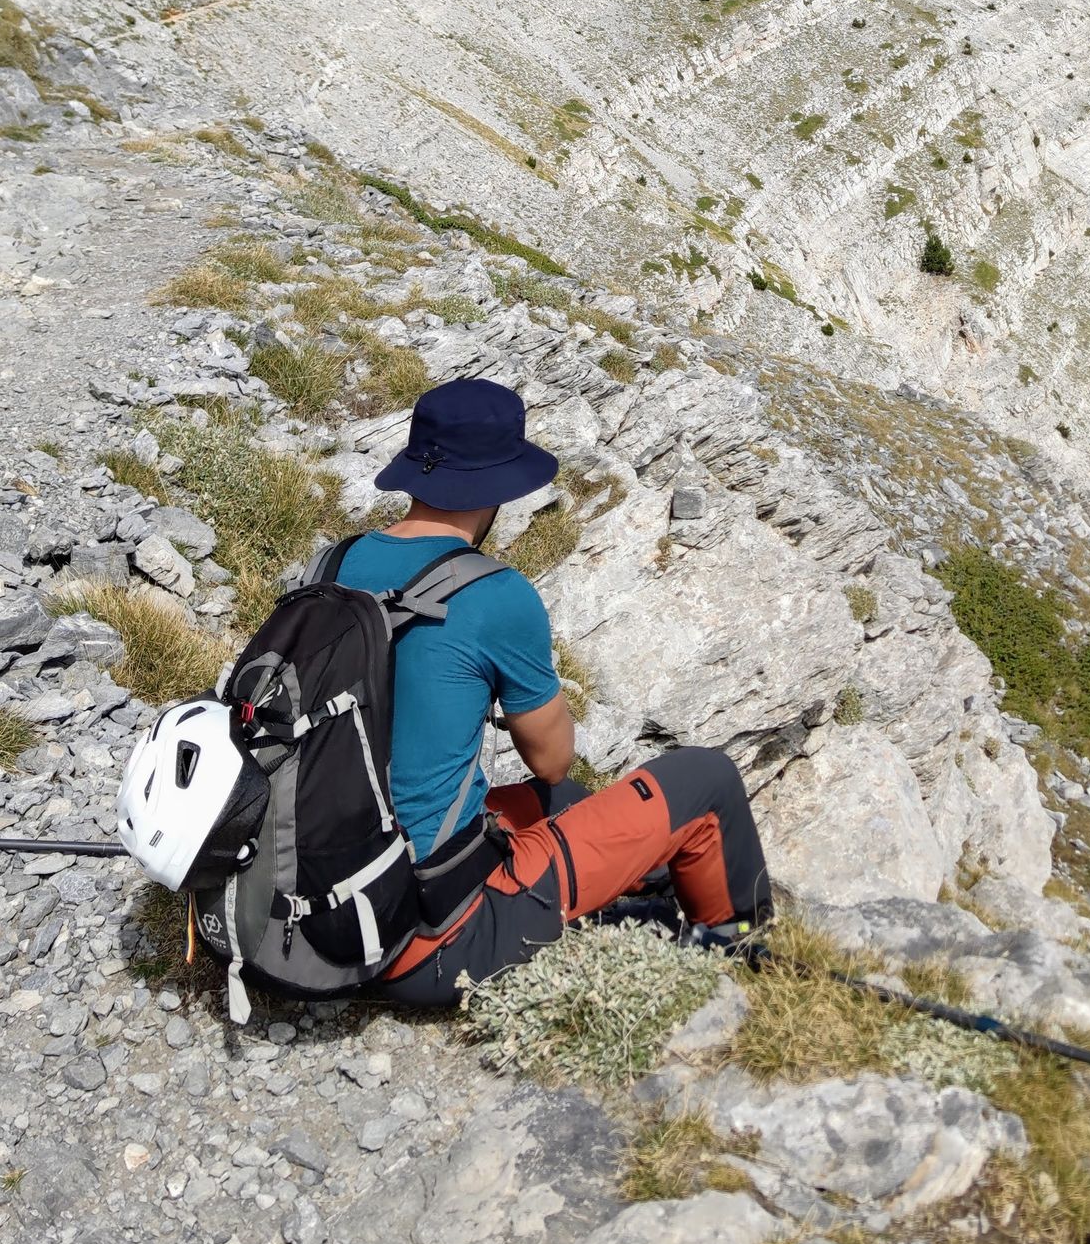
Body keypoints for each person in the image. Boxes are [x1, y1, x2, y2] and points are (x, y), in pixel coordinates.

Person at [331, 375, 772, 1002]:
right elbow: (551, 754)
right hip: (423, 938)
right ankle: (737, 959)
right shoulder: (493, 593)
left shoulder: (330, 566)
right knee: (709, 781)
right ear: (494, 490)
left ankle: (639, 891)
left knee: (560, 798)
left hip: (312, 899)